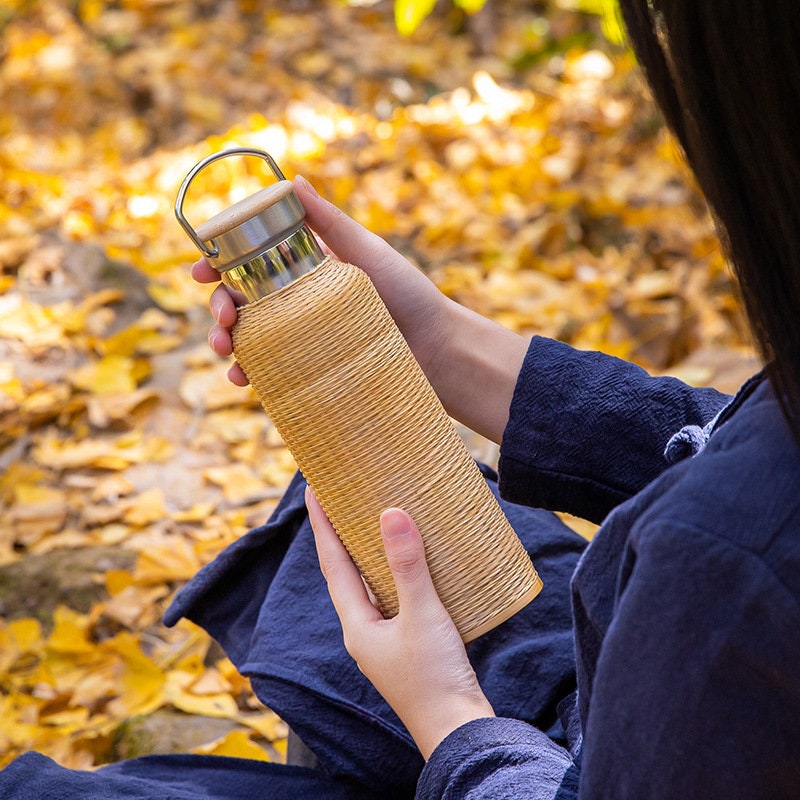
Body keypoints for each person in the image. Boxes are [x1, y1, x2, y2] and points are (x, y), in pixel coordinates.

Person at [2, 1, 799, 797]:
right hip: (615, 684)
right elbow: (730, 435)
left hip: (549, 759)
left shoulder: (724, 564)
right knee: (326, 539)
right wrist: (442, 341)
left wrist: (446, 718)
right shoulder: (742, 525)